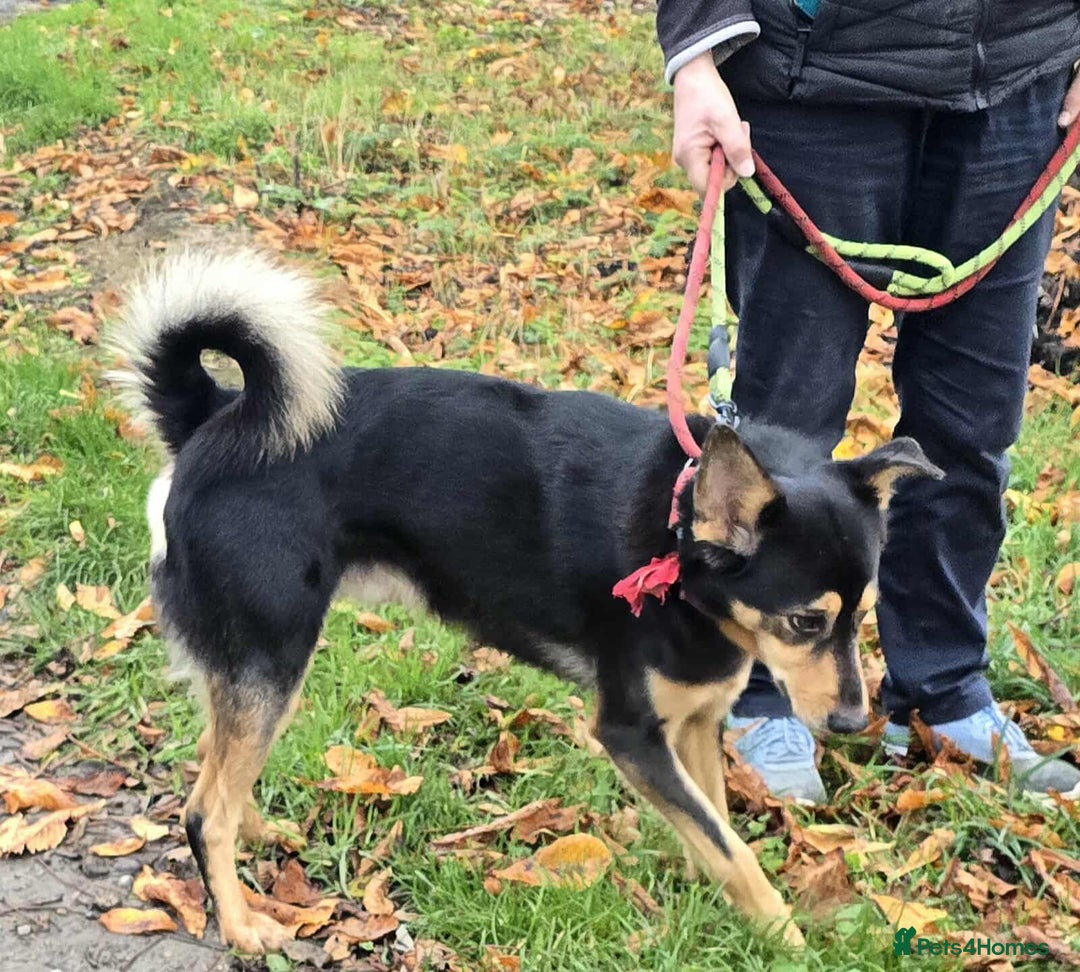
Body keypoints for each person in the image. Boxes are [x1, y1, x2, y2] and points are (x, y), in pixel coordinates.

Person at [656, 0, 1080, 801]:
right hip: (819, 74)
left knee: (973, 425)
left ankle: (947, 684)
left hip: (1024, 69)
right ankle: (754, 693)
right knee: (781, 432)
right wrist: (696, 52)